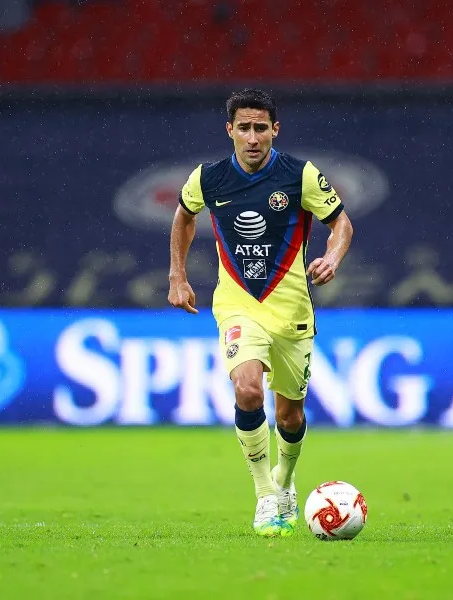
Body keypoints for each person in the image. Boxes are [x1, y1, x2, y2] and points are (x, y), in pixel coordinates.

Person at [167, 89, 354, 537]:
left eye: (261, 128)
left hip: (291, 312)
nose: (253, 138)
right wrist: (177, 275)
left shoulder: (300, 175)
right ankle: (265, 497)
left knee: (290, 417)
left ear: (275, 129)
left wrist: (333, 257)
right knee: (248, 389)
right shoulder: (208, 179)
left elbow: (341, 223)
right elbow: (184, 216)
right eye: (244, 128)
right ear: (230, 130)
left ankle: (285, 484)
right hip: (237, 306)